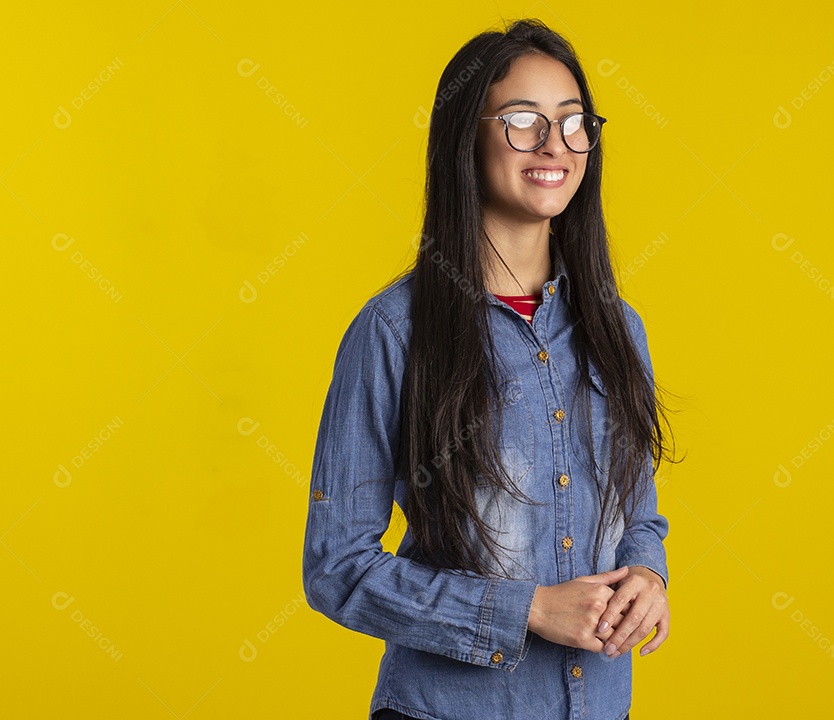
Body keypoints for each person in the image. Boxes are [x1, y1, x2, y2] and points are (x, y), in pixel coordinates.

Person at [302, 17, 677, 720]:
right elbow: (337, 567)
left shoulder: (618, 329)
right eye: (523, 120)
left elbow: (639, 515)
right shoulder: (393, 332)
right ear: (464, 139)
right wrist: (525, 610)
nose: (554, 145)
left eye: (572, 123)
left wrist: (648, 576)